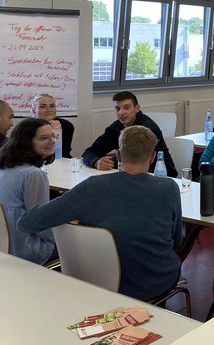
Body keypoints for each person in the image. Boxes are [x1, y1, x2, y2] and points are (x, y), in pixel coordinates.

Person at [18, 126, 182, 301]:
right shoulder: (169, 188)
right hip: (155, 282)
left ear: (118, 155)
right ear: (152, 156)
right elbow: (176, 239)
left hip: (98, 282)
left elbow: (26, 223)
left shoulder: (92, 187)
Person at [0, 118, 57, 264]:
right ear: (26, 143)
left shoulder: (5, 168)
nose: (52, 141)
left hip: (4, 246)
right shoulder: (33, 174)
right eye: (44, 138)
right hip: (25, 249)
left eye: (53, 136)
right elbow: (39, 221)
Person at [83, 91, 177, 177]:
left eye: (126, 108)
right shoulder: (116, 127)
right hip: (131, 176)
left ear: (137, 108)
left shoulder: (147, 129)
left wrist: (111, 161)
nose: (121, 112)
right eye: (117, 109)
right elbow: (90, 152)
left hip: (159, 175)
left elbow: (134, 162)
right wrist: (95, 162)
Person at [31, 93, 75, 158]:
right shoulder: (26, 127)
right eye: (42, 106)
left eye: (52, 106)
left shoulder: (66, 125)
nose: (48, 110)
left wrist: (56, 132)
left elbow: (62, 154)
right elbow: (28, 153)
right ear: (34, 110)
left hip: (60, 159)